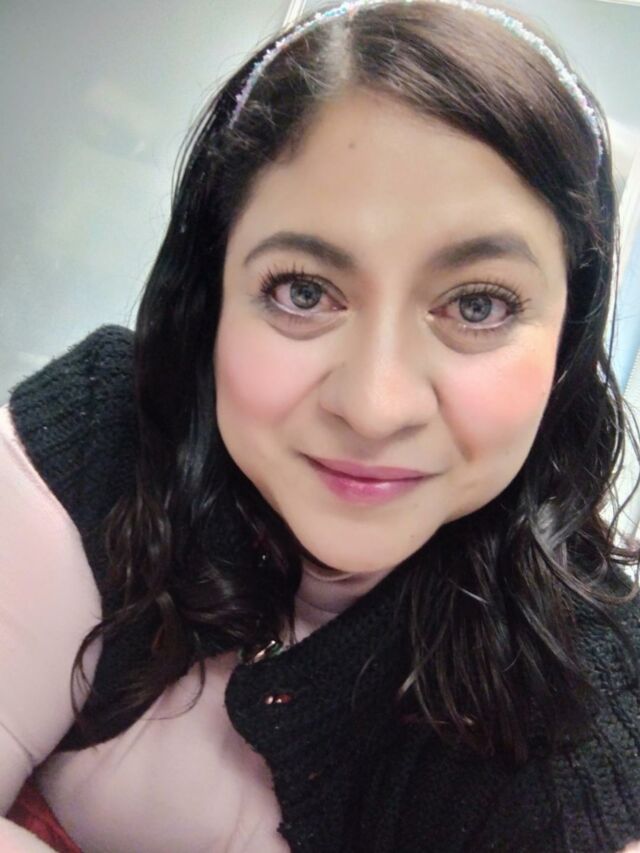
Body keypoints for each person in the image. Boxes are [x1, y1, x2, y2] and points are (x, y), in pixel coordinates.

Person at [1, 0, 640, 850]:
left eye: (477, 305)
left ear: (568, 338)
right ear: (212, 296)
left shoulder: (582, 692)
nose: (375, 407)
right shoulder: (108, 425)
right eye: (303, 291)